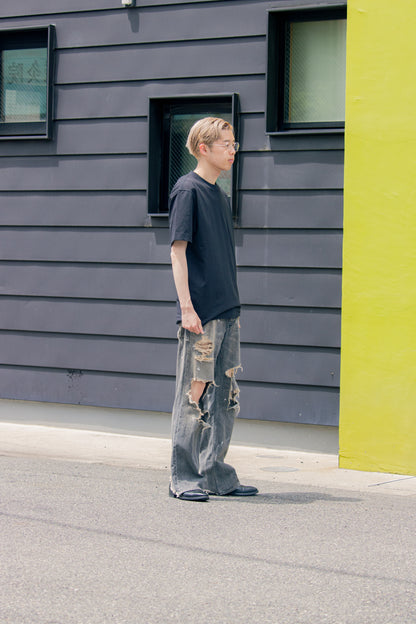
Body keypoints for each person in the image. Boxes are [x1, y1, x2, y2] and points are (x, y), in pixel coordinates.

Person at [168, 116, 258, 502]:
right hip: (201, 315)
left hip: (228, 309)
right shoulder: (187, 190)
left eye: (234, 144)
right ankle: (183, 477)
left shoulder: (219, 196)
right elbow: (178, 253)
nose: (233, 150)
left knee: (225, 397)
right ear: (203, 148)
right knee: (194, 394)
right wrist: (187, 308)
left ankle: (215, 475)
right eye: (226, 144)